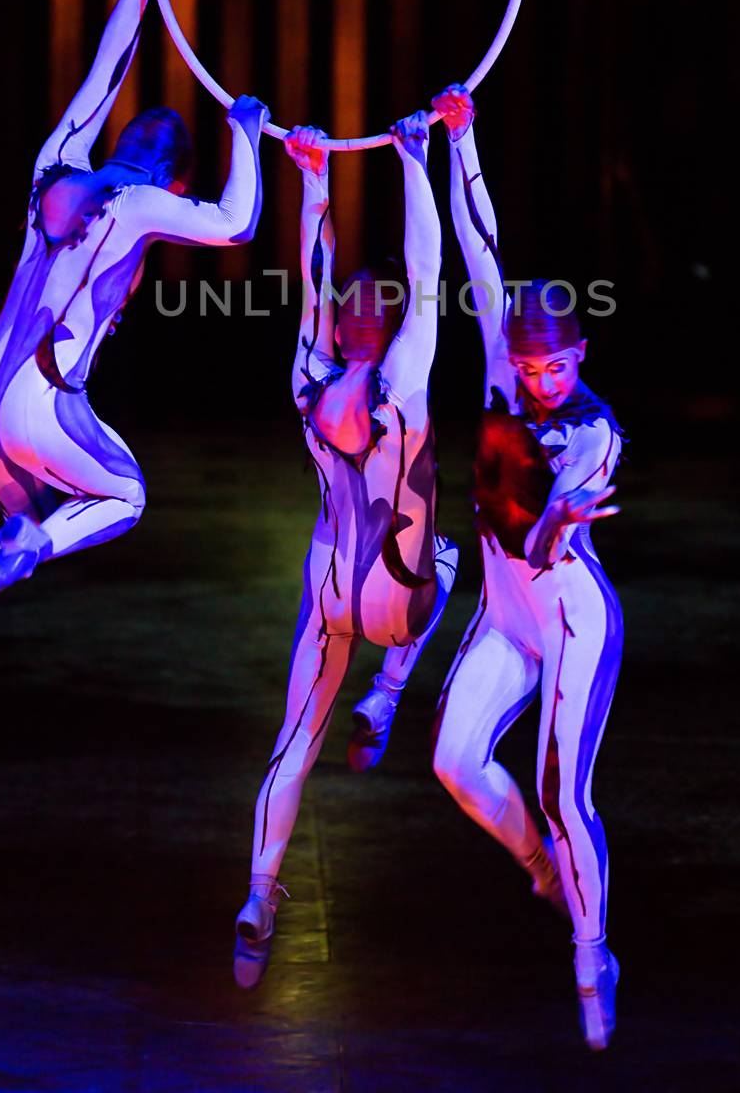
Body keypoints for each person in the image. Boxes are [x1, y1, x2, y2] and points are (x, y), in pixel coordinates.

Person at [0, 0, 268, 698]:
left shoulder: (56, 164)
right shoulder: (141, 202)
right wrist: (247, 135)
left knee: (23, 524)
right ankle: (20, 561)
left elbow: (103, 75)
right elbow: (237, 223)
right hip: (41, 401)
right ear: (172, 180)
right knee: (123, 496)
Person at [234, 114, 458, 988]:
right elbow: (430, 273)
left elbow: (313, 275)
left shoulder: (308, 376)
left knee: (293, 741)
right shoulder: (403, 380)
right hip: (396, 595)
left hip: (329, 589)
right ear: (392, 325)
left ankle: (258, 896)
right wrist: (413, 160)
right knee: (448, 556)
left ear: (339, 325)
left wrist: (314, 177)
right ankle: (391, 690)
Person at [428, 83, 624, 1052]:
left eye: (555, 366)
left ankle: (590, 949)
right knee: (451, 758)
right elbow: (480, 252)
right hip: (504, 610)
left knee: (561, 789)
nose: (539, 380)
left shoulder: (592, 431)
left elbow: (550, 532)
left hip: (568, 613)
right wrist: (460, 145)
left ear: (579, 353)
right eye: (527, 365)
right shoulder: (504, 371)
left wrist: (556, 513)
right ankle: (541, 869)